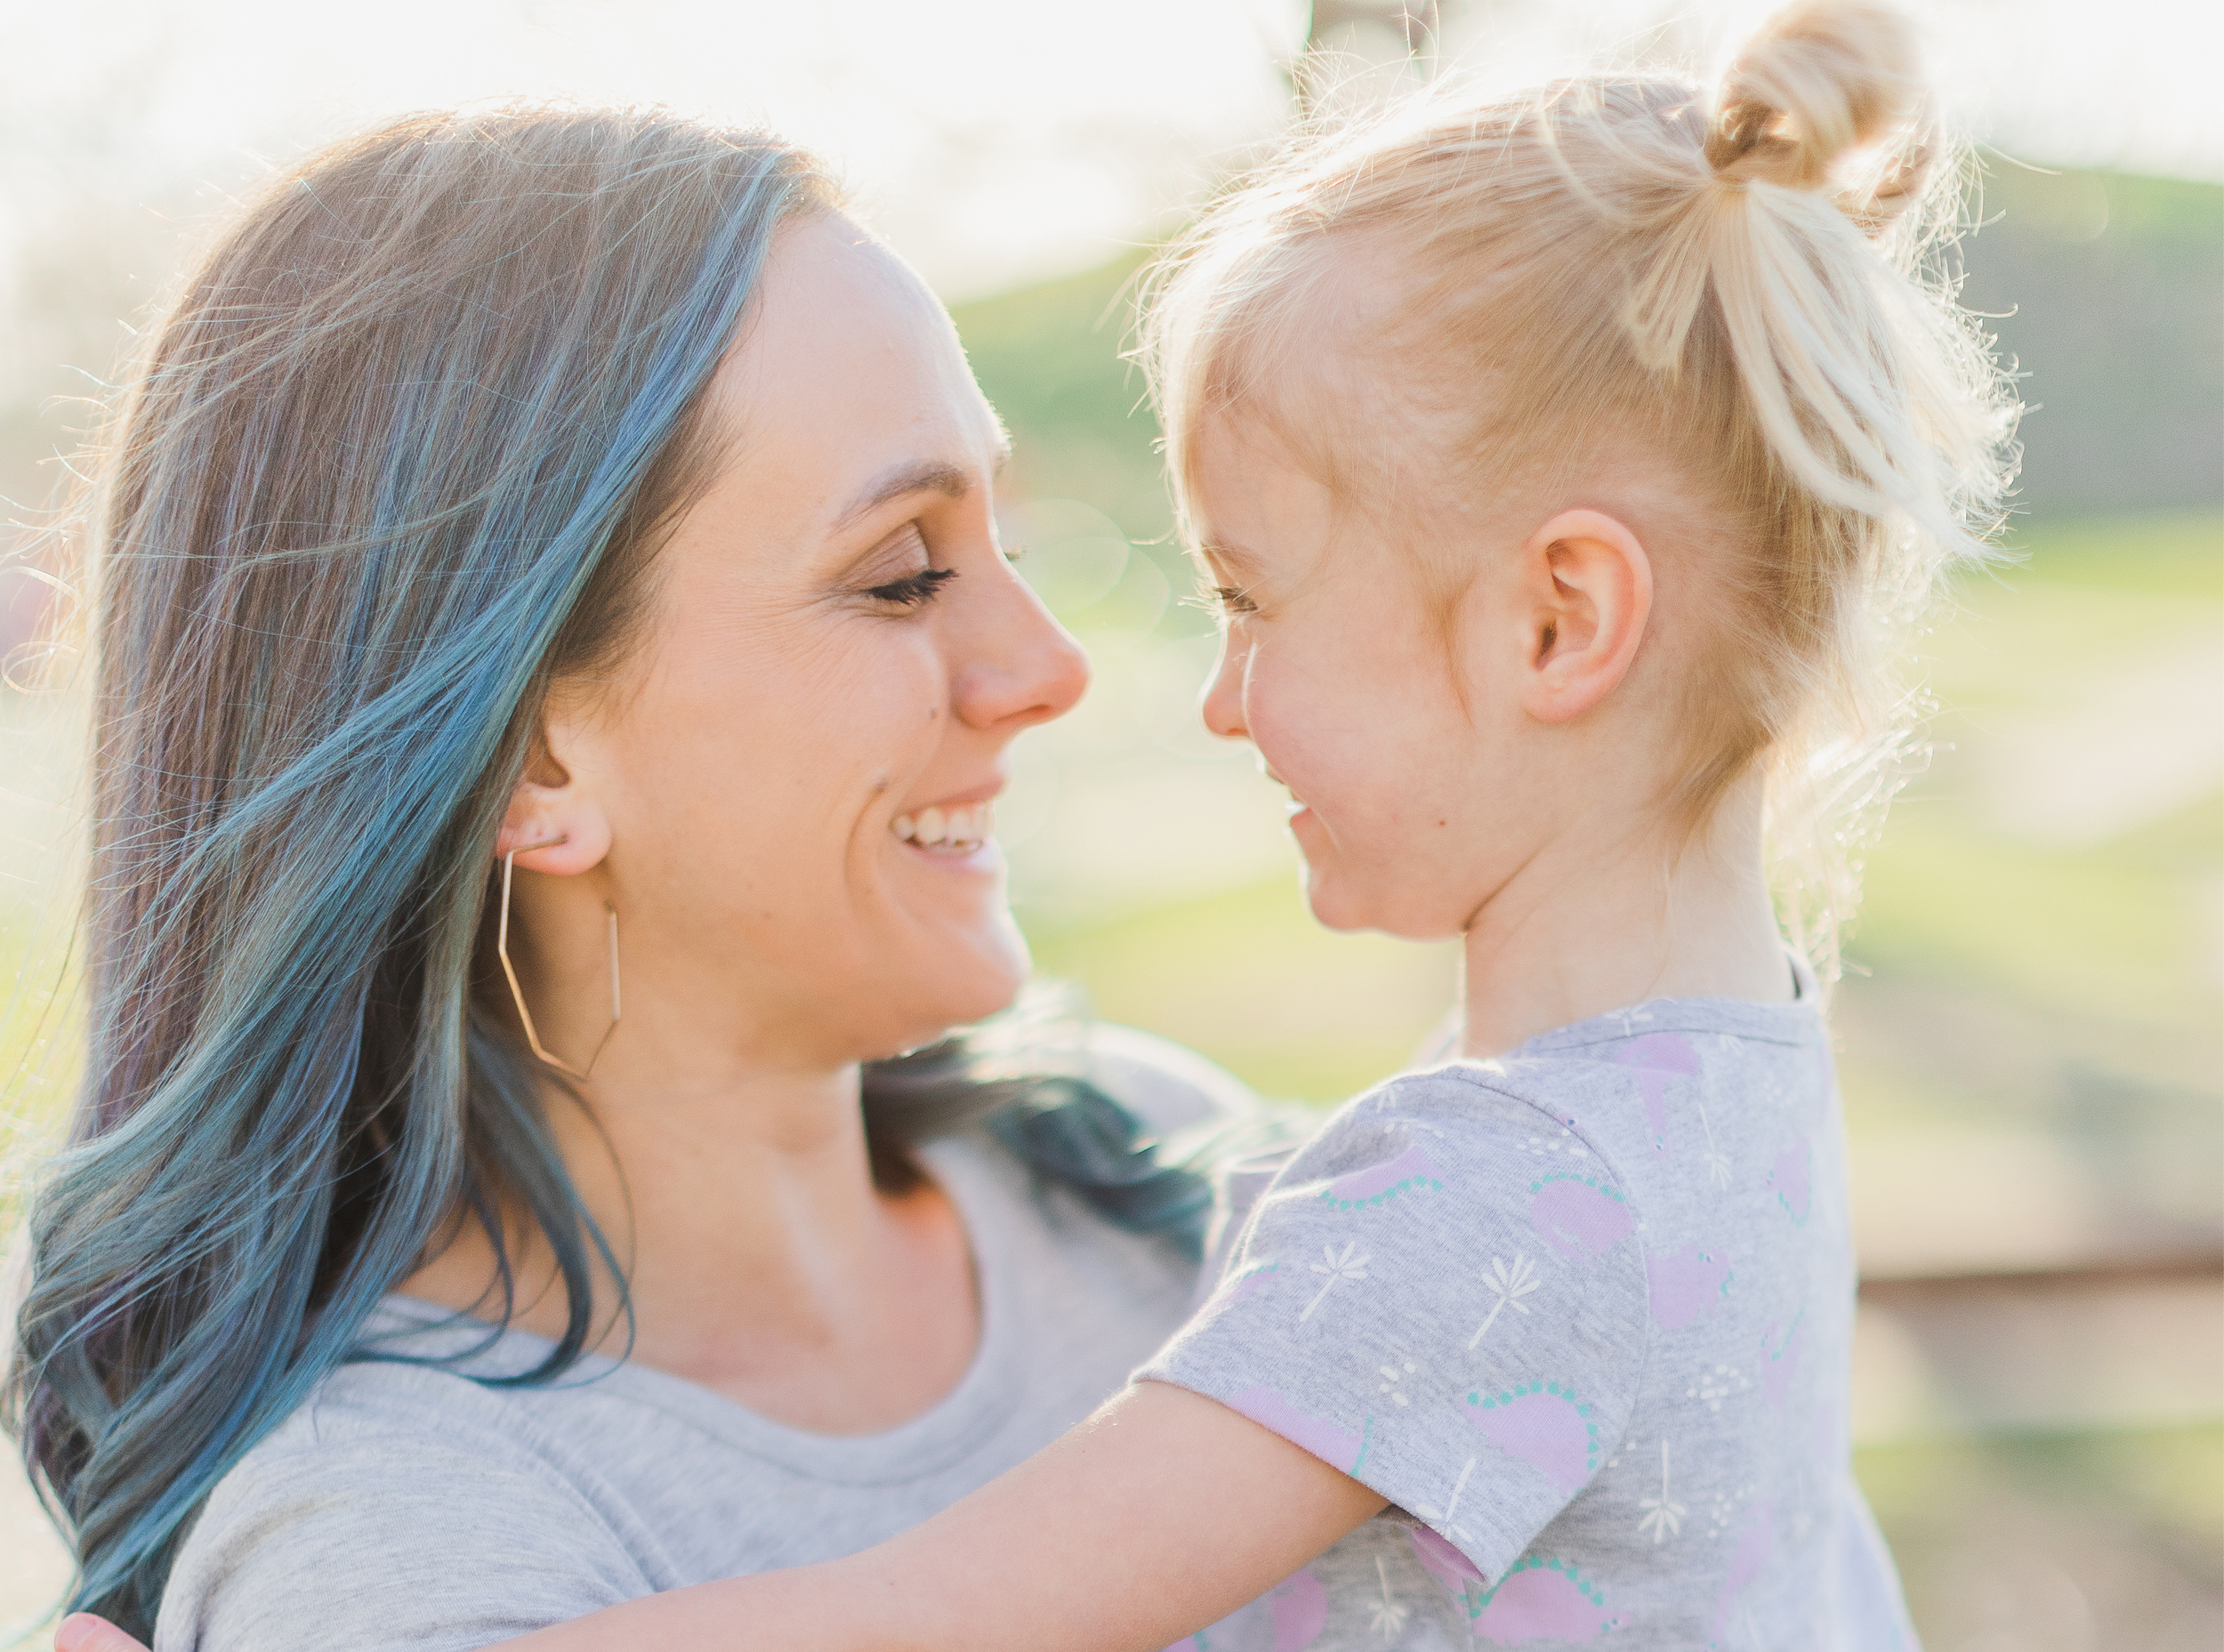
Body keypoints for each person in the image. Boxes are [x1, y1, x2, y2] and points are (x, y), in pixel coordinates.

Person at [391, 3, 2014, 1648]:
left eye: (1252, 598)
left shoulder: (1490, 1205)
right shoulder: (1730, 1090)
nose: (1218, 696)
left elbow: (938, 1619)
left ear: (1558, 622)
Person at [8, 108, 1273, 1652]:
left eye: (1002, 535)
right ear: (536, 765)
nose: (1047, 666)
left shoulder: (1169, 1170)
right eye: (901, 575)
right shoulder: (394, 1542)